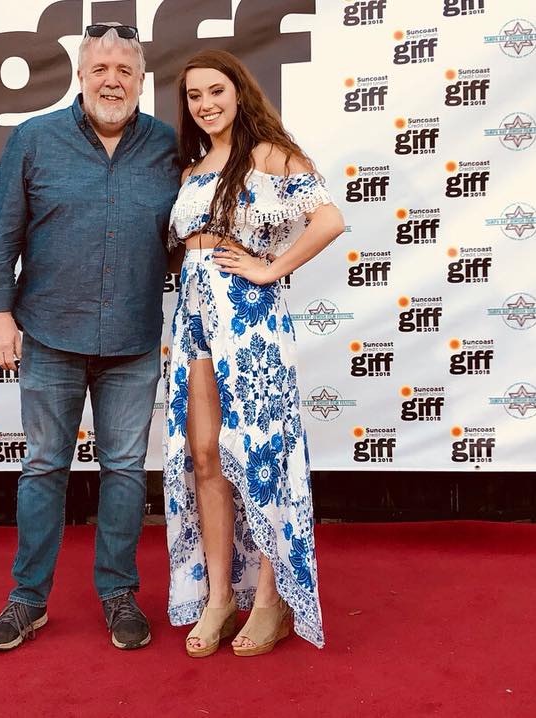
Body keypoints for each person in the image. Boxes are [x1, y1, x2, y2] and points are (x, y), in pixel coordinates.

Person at [0, 23, 180, 651]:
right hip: (49, 334)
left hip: (133, 340)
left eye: (124, 70)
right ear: (81, 76)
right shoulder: (34, 141)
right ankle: (27, 600)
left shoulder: (168, 147)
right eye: (100, 70)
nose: (112, 80)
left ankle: (119, 594)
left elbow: (182, 235)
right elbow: (2, 235)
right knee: (43, 467)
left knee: (123, 470)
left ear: (141, 80)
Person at [163, 49, 345, 657]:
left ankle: (271, 601)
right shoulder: (190, 172)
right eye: (194, 96)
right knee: (206, 453)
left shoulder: (271, 155)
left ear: (239, 92)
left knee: (259, 452)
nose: (206, 104)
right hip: (194, 316)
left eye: (216, 91)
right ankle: (219, 597)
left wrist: (271, 269)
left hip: (250, 318)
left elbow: (329, 220)